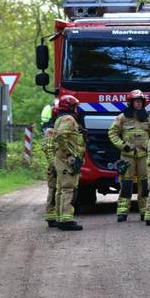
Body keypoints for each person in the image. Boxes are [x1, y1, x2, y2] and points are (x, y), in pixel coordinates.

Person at [107, 89, 150, 222]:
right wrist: (123, 145)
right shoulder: (122, 117)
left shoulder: (148, 117)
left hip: (144, 155)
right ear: (131, 102)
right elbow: (112, 133)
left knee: (145, 183)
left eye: (140, 102)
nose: (138, 104)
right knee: (126, 183)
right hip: (127, 156)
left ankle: (144, 211)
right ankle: (122, 211)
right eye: (136, 102)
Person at [51, 95, 86, 231]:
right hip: (67, 160)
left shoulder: (60, 118)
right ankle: (66, 219)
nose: (77, 109)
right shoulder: (69, 119)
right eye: (75, 106)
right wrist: (69, 154)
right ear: (70, 107)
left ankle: (60, 218)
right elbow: (60, 135)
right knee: (68, 189)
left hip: (61, 159)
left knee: (61, 189)